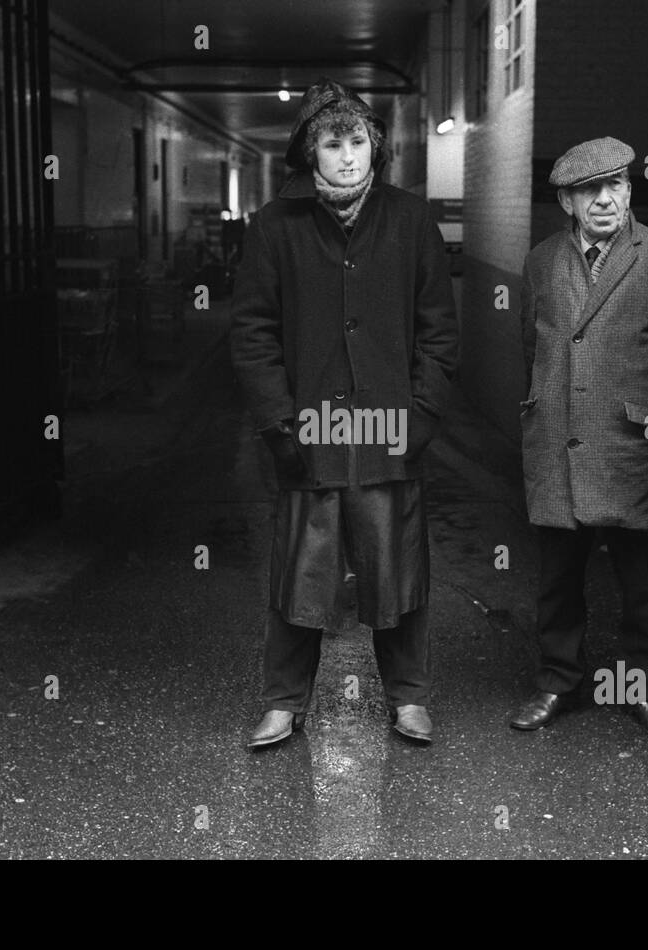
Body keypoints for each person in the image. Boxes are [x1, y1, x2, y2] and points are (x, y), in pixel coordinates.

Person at [230, 78, 458, 749]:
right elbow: (253, 333)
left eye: (357, 140)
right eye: (332, 143)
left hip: (391, 429)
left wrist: (420, 419)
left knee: (397, 570)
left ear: (374, 146)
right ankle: (282, 702)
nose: (347, 155)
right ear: (311, 151)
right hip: (312, 431)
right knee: (301, 571)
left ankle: (409, 698)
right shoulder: (276, 226)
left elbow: (439, 330)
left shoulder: (411, 220)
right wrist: (279, 426)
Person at [510, 136, 648, 742]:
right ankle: (557, 681)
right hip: (559, 444)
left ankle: (647, 688)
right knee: (558, 580)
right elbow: (533, 348)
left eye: (616, 184)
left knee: (642, 585)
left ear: (631, 189)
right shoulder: (540, 261)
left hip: (632, 446)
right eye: (590, 189)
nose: (606, 199)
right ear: (566, 200)